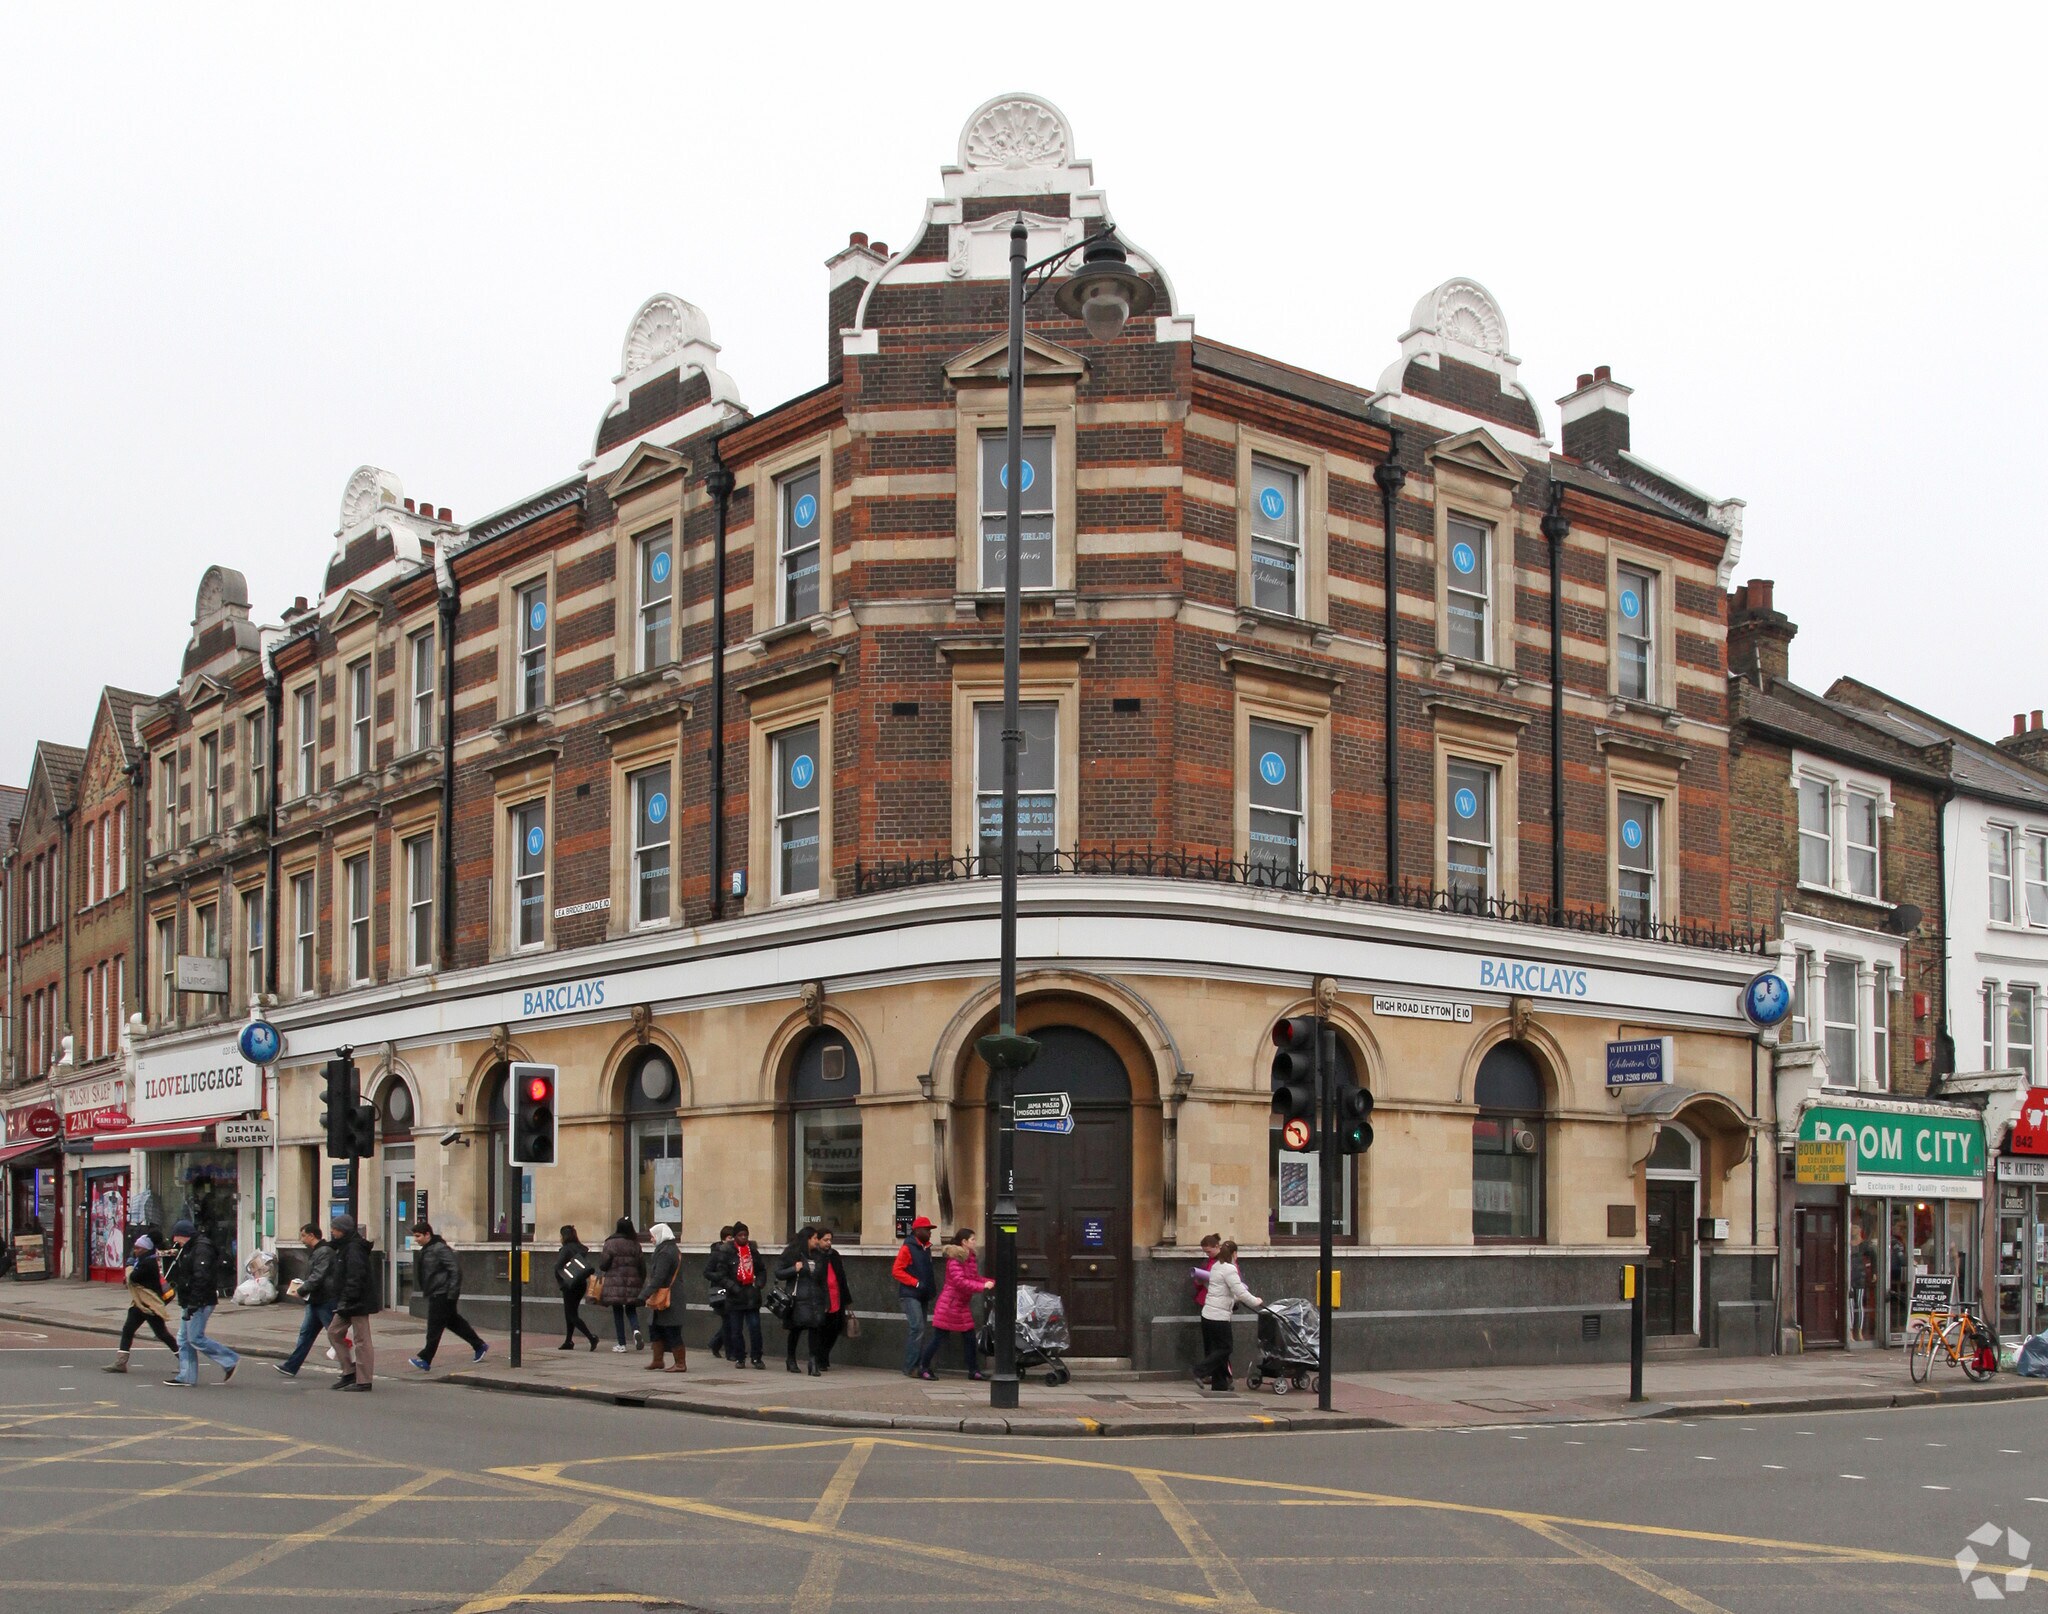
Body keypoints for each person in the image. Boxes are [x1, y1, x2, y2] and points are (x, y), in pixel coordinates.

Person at [161, 1218, 238, 1387]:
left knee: (195, 1338)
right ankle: (186, 1376)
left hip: (200, 1301)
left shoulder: (201, 1249)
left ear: (184, 1235)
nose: (175, 1240)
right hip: (190, 1300)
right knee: (183, 1339)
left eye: (176, 1236)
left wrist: (194, 1303)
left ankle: (230, 1359)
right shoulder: (190, 1248)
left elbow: (201, 1277)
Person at [408, 1221, 488, 1372]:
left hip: (442, 1293)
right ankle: (479, 1345)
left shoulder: (439, 1248)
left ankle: (426, 1359)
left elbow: (455, 1270)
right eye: (415, 1236)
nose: (416, 1239)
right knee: (454, 1323)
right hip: (437, 1292)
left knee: (434, 1327)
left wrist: (452, 1293)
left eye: (418, 1236)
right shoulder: (428, 1249)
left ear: (427, 1234)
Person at [918, 1228, 993, 1380]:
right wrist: (982, 1286)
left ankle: (974, 1371)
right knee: (938, 1338)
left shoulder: (970, 1258)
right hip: (950, 1305)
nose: (975, 1242)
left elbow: (973, 1278)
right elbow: (960, 1282)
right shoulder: (955, 1260)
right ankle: (923, 1367)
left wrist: (989, 1282)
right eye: (972, 1239)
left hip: (961, 1305)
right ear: (964, 1242)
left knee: (969, 1338)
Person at [103, 1233, 178, 1373]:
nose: (135, 1250)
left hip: (150, 1304)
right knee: (128, 1329)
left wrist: (129, 1266)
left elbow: (133, 1278)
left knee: (162, 1334)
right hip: (139, 1303)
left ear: (145, 1249)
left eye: (138, 1248)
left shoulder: (147, 1263)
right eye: (135, 1248)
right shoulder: (143, 1261)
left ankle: (184, 1360)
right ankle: (121, 1362)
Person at [1194, 1239, 1263, 1392]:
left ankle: (1220, 1384)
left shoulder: (1216, 1266)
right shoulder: (1230, 1269)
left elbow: (1224, 1290)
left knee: (1217, 1350)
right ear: (1234, 1254)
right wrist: (1256, 1301)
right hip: (1219, 1316)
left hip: (1208, 1314)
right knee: (1225, 1348)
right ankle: (1199, 1370)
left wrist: (1235, 1298)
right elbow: (1240, 1291)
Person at [326, 1213, 380, 1391]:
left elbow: (356, 1276)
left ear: (343, 1230)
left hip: (357, 1301)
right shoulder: (344, 1246)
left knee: (362, 1340)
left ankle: (364, 1380)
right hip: (347, 1300)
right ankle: (349, 1371)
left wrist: (348, 1298)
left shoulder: (354, 1248)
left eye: (335, 1229)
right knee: (334, 1332)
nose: (332, 1231)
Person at [275, 1223, 336, 1377]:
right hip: (315, 1299)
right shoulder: (318, 1251)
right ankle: (291, 1366)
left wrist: (302, 1290)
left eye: (303, 1236)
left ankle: (351, 1367)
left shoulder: (324, 1251)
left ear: (311, 1235)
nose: (301, 1239)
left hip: (325, 1299)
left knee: (336, 1335)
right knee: (306, 1334)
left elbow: (318, 1276)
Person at [710, 1221, 766, 1368]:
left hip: (752, 1296)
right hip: (735, 1297)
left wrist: (759, 1283)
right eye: (740, 1235)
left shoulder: (753, 1252)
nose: (743, 1237)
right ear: (735, 1237)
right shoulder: (727, 1253)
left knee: (755, 1328)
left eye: (745, 1235)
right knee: (736, 1331)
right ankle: (740, 1357)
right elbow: (721, 1275)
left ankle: (757, 1357)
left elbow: (761, 1270)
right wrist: (733, 1287)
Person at [635, 1223, 688, 1373]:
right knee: (655, 1327)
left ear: (660, 1235)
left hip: (669, 1297)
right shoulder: (668, 1249)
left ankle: (680, 1363)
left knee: (672, 1330)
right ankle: (658, 1360)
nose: (651, 1239)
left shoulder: (665, 1252)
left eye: (652, 1236)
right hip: (665, 1296)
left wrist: (643, 1296)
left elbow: (659, 1278)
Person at [891, 1215, 938, 1377]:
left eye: (930, 1230)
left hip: (921, 1294)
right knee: (917, 1328)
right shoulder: (908, 1248)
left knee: (920, 1329)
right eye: (927, 1229)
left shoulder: (925, 1248)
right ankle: (911, 1366)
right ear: (917, 1231)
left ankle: (917, 1365)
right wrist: (916, 1283)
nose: (930, 1232)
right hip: (910, 1294)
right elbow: (897, 1270)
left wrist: (928, 1289)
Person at [777, 1226, 827, 1375]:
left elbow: (823, 1280)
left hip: (815, 1298)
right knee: (796, 1329)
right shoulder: (792, 1253)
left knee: (815, 1329)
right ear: (807, 1239)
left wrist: (826, 1299)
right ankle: (791, 1359)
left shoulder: (819, 1256)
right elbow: (779, 1272)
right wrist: (794, 1269)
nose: (817, 1241)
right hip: (798, 1298)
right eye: (815, 1238)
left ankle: (813, 1361)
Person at [598, 1217, 645, 1353]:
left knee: (617, 1311)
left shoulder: (610, 1243)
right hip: (632, 1281)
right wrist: (641, 1281)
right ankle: (636, 1330)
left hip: (614, 1282)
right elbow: (641, 1265)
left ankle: (621, 1344)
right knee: (631, 1309)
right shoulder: (635, 1244)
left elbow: (603, 1265)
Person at [552, 1225, 600, 1351]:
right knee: (571, 1313)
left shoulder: (566, 1249)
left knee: (571, 1314)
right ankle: (568, 1341)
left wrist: (561, 1281)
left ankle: (591, 1337)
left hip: (569, 1285)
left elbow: (558, 1266)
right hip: (580, 1283)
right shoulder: (580, 1248)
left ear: (564, 1236)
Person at [813, 1227, 854, 1371]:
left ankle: (824, 1356)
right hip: (823, 1299)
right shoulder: (814, 1255)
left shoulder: (834, 1255)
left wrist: (847, 1299)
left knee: (836, 1327)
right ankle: (820, 1359)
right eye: (825, 1240)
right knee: (822, 1330)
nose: (828, 1243)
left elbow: (842, 1277)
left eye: (830, 1240)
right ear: (818, 1240)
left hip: (837, 1297)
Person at [704, 1225, 734, 1359]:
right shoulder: (717, 1253)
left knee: (731, 1321)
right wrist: (721, 1277)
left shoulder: (736, 1252)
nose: (732, 1240)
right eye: (729, 1238)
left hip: (733, 1290)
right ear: (723, 1239)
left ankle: (715, 1343)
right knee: (728, 1321)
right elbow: (707, 1272)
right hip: (721, 1291)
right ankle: (729, 1351)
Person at [1190, 1232, 1222, 1311]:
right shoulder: (1208, 1261)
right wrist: (1198, 1282)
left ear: (1217, 1246)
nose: (1207, 1254)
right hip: (1208, 1298)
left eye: (1209, 1252)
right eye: (1205, 1252)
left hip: (1216, 1300)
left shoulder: (1224, 1261)